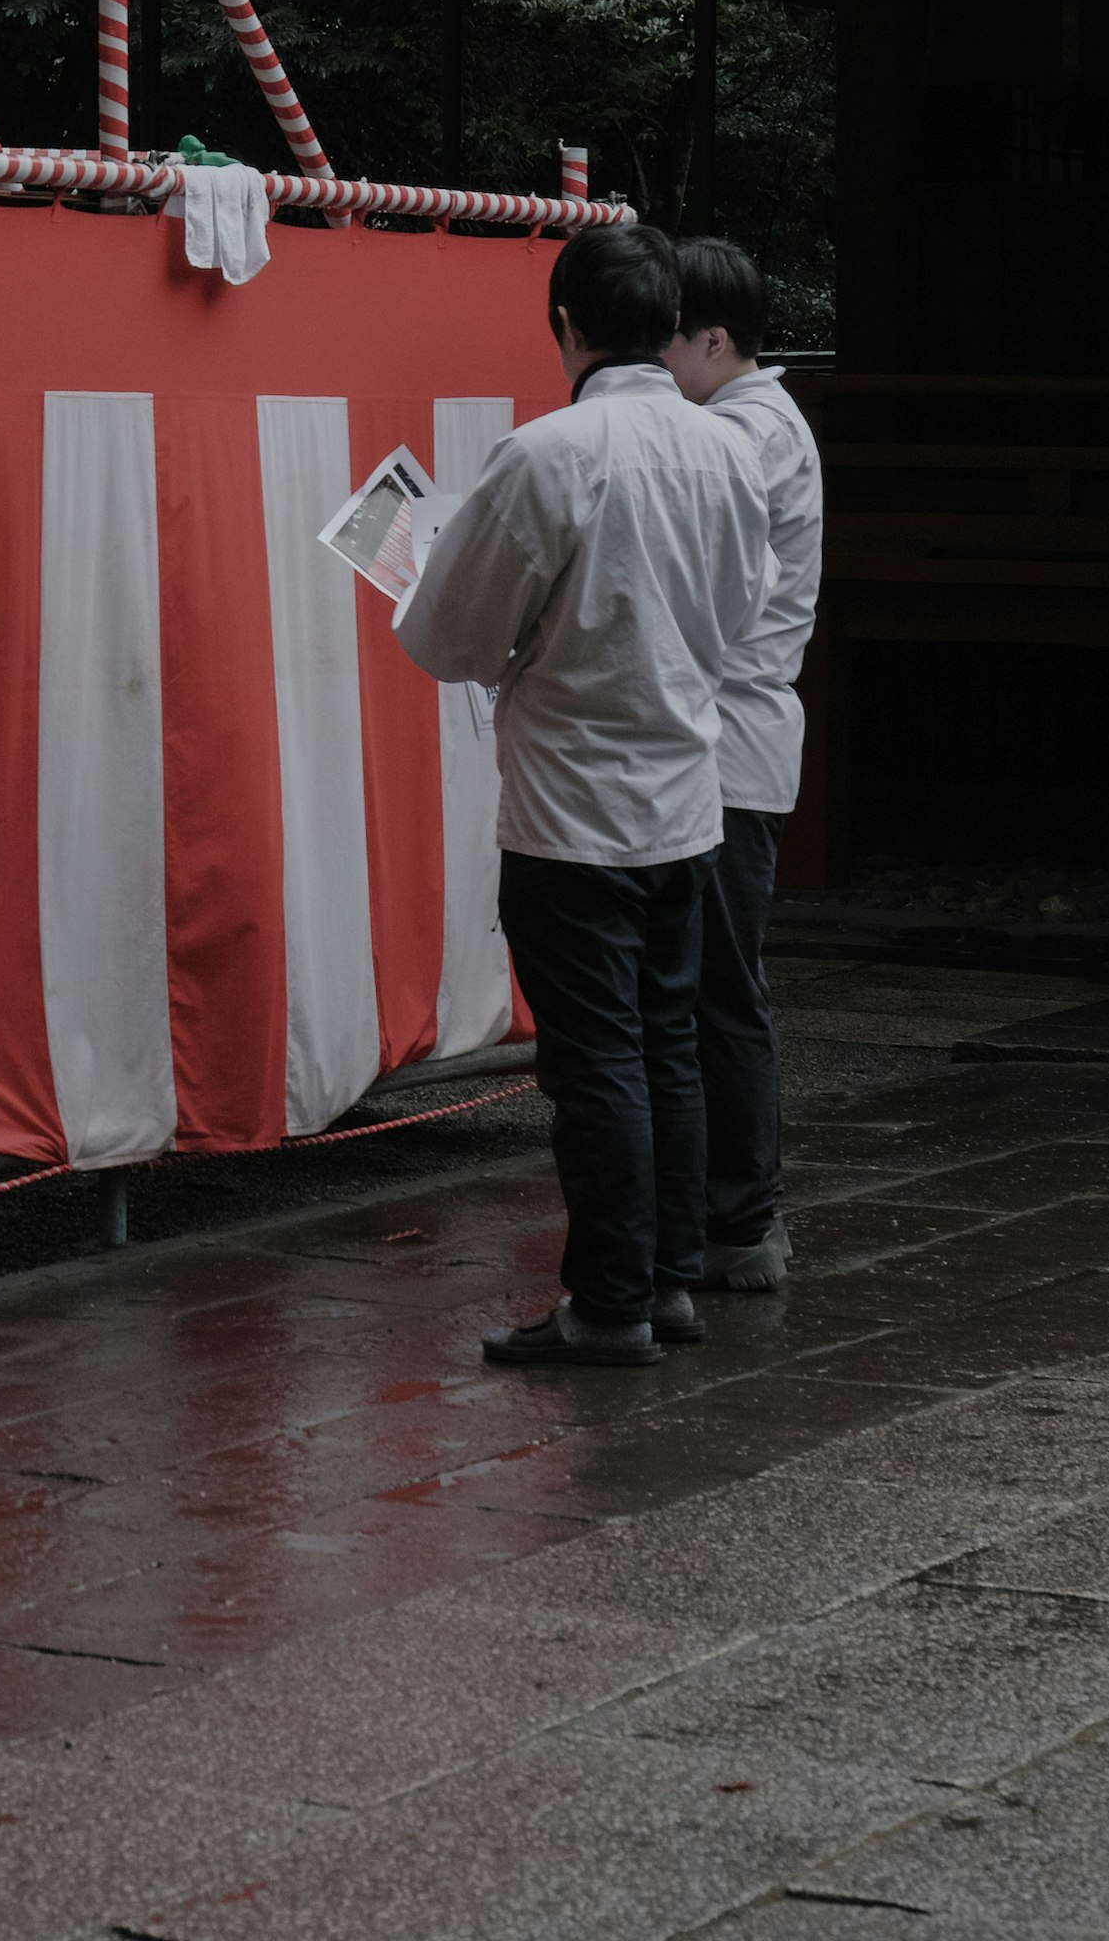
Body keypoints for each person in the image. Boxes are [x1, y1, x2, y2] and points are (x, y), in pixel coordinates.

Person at [394, 224, 772, 1369]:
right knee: (666, 1043)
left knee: (598, 1058)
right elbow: (743, 615)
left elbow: (449, 637)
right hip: (684, 792)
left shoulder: (547, 453)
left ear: (564, 326)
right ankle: (667, 1283)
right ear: (669, 328)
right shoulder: (727, 452)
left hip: (571, 804)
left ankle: (609, 1300)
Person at [664, 238, 822, 1294]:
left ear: (714, 339)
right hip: (724, 745)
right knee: (718, 990)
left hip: (726, 748)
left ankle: (740, 1219)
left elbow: (703, 591)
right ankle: (728, 1219)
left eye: (665, 339)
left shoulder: (745, 433)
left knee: (720, 994)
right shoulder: (749, 423)